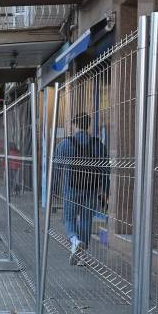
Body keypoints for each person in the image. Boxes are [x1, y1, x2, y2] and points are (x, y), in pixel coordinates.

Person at [55, 113, 109, 265]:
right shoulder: (98, 144)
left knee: (69, 218)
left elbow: (56, 168)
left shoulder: (65, 144)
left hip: (71, 189)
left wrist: (54, 188)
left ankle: (74, 240)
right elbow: (105, 170)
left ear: (74, 124)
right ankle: (82, 257)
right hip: (91, 189)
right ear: (88, 125)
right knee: (86, 219)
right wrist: (105, 189)